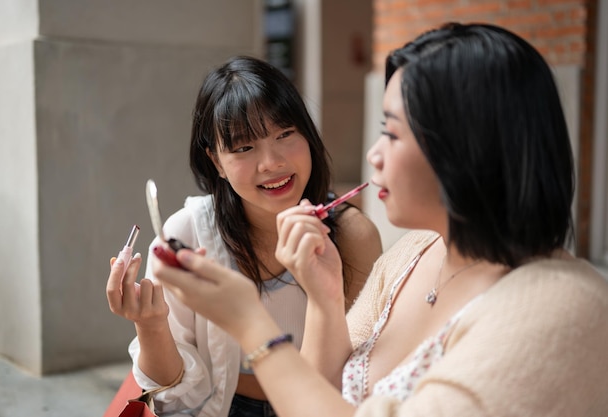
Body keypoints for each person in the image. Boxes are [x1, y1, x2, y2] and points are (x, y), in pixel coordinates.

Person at [147, 22, 608, 417]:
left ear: (468, 148)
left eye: (391, 132)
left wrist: (252, 325)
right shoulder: (413, 252)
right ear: (215, 162)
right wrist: (325, 298)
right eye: (244, 147)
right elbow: (318, 396)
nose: (373, 154)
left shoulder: (561, 307)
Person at [106, 56, 382, 417]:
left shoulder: (351, 236)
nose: (271, 162)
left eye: (285, 134)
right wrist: (150, 324)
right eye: (243, 148)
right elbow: (173, 399)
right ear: (216, 161)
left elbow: (360, 371)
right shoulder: (186, 234)